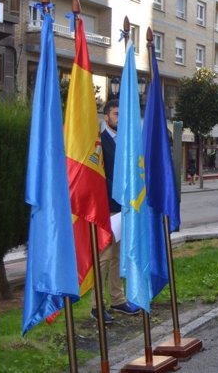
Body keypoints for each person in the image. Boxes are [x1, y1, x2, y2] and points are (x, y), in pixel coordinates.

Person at [92, 100, 139, 322]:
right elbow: (98, 176)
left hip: (125, 208)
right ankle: (96, 305)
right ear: (106, 117)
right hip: (107, 207)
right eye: (115, 113)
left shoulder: (127, 140)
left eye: (122, 113)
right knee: (104, 256)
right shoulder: (100, 142)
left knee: (118, 256)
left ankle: (117, 299)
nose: (119, 117)